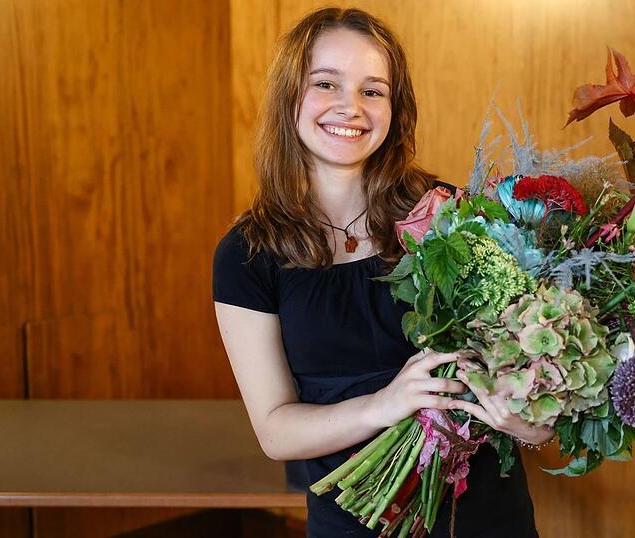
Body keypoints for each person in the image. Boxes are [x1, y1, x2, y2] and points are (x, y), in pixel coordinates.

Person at [212, 8, 550, 537]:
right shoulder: (247, 254)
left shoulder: (452, 216)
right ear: (289, 97)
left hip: (487, 519)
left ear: (396, 108)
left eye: (373, 91)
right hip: (353, 525)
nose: (351, 107)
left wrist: (529, 423)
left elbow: (529, 382)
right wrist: (385, 404)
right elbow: (276, 432)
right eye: (326, 83)